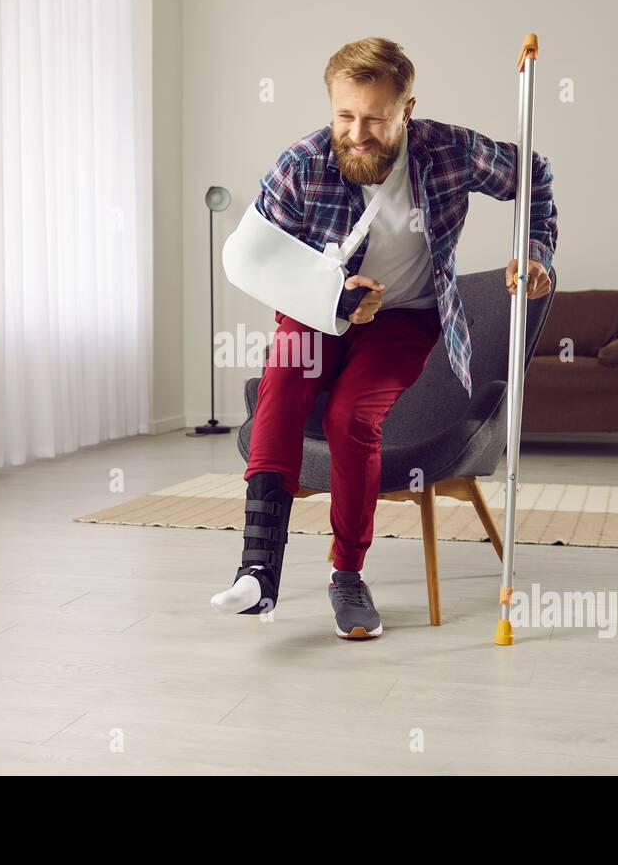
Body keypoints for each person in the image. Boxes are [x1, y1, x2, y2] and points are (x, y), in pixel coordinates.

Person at [210, 37, 557, 639]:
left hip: (407, 318)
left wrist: (531, 249)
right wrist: (335, 296)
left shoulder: (448, 151)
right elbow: (253, 258)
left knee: (350, 418)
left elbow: (535, 175)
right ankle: (258, 573)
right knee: (283, 385)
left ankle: (347, 575)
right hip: (316, 309)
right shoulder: (302, 165)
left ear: (407, 110)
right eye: (345, 116)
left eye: (375, 118)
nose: (357, 133)